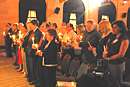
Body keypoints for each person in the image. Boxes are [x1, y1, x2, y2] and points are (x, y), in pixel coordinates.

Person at [103, 20, 129, 87]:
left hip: (118, 63)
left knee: (117, 83)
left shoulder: (124, 38)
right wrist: (105, 52)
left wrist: (109, 58)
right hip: (110, 62)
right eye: (112, 27)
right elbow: (107, 45)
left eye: (115, 27)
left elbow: (121, 54)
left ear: (121, 28)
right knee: (110, 81)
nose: (113, 29)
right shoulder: (113, 36)